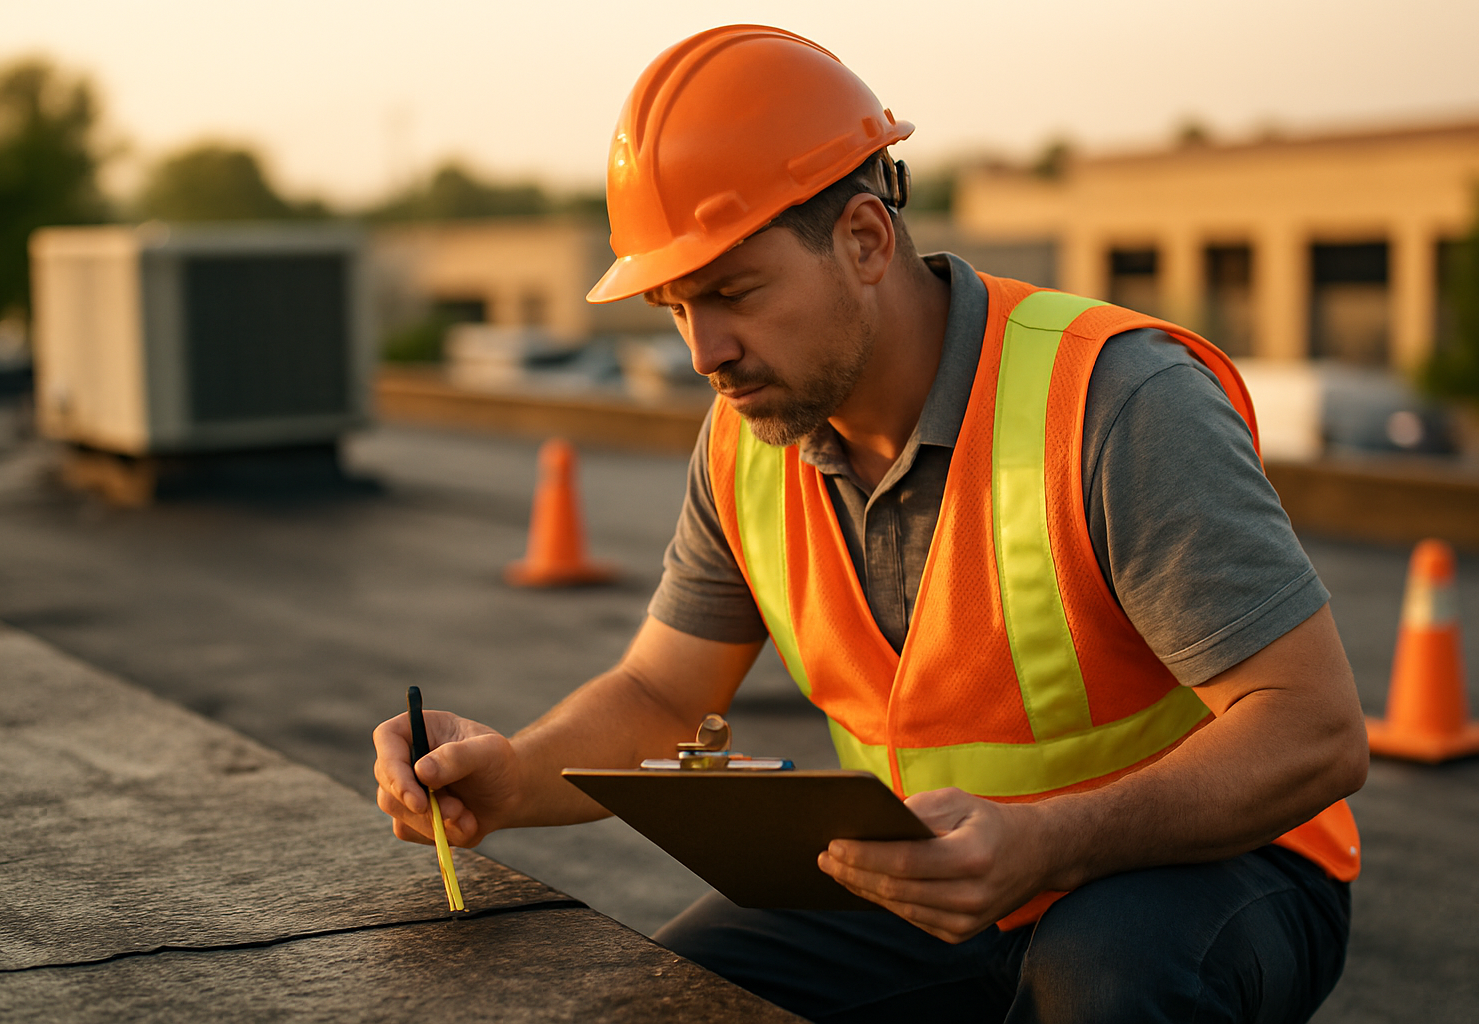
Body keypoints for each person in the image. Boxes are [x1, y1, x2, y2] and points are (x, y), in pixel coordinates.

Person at [374, 24, 1368, 1023]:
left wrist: (1045, 841)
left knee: (1102, 985)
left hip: (1215, 864)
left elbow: (1313, 732)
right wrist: (508, 778)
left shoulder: (1116, 402)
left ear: (863, 239)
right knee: (676, 1002)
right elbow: (661, 693)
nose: (704, 352)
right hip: (937, 876)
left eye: (733, 293)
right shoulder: (745, 439)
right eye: (676, 307)